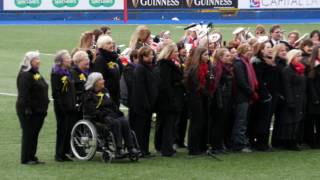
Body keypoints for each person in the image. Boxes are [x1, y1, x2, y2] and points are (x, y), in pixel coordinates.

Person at [83, 72, 139, 157]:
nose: (104, 81)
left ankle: (131, 148)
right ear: (96, 82)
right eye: (101, 79)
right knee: (115, 123)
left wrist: (118, 113)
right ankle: (119, 149)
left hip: (109, 114)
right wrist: (104, 115)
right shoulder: (88, 95)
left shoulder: (105, 91)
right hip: (97, 118)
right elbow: (91, 110)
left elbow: (112, 104)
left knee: (124, 121)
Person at [16, 51, 49, 165]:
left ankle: (32, 156)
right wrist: (28, 109)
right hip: (29, 111)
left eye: (38, 59)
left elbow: (42, 85)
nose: (39, 61)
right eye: (36, 59)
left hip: (38, 110)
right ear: (30, 61)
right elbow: (24, 95)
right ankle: (25, 158)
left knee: (34, 134)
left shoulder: (35, 73)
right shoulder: (25, 75)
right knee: (28, 133)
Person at [154, 43, 184, 157]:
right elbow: (166, 85)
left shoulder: (166, 64)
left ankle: (160, 146)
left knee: (163, 124)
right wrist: (173, 100)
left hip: (167, 99)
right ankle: (167, 149)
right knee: (168, 125)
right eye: (175, 52)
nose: (177, 54)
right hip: (168, 100)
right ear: (169, 53)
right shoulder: (166, 66)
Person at [130, 46, 159, 157]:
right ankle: (140, 150)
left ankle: (145, 149)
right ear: (144, 56)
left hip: (148, 104)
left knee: (146, 128)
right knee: (140, 129)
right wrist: (146, 104)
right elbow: (140, 89)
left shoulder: (147, 67)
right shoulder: (140, 69)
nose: (152, 56)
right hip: (141, 105)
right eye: (150, 54)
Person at [184, 47, 214, 155]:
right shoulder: (194, 68)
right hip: (195, 98)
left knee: (203, 122)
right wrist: (205, 91)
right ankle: (194, 148)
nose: (207, 57)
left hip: (203, 98)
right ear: (199, 56)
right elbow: (196, 85)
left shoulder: (207, 67)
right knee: (196, 123)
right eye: (205, 55)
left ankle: (202, 145)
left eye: (207, 54)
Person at [250, 41, 278, 151]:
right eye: (267, 47)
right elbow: (260, 81)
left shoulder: (271, 61)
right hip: (263, 96)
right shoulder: (258, 62)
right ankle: (260, 143)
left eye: (271, 47)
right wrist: (265, 95)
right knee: (261, 120)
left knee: (267, 120)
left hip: (271, 94)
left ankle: (265, 143)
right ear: (261, 50)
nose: (270, 49)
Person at [231, 43, 258, 152]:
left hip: (245, 96)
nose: (250, 52)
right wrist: (252, 93)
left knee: (243, 121)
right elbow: (242, 82)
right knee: (240, 121)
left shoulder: (246, 63)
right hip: (241, 97)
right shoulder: (239, 63)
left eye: (251, 49)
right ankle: (238, 144)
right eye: (247, 50)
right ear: (241, 51)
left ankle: (241, 142)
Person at [51, 50, 76, 162]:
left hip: (70, 105)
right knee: (61, 130)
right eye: (67, 58)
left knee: (68, 130)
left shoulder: (68, 71)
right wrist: (61, 107)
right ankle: (58, 154)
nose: (70, 59)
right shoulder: (56, 73)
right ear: (61, 61)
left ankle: (65, 152)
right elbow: (56, 93)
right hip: (62, 107)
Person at [279, 49, 306, 151]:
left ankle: (294, 140)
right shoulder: (288, 70)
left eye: (300, 56)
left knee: (296, 120)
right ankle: (289, 141)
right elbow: (287, 86)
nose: (300, 58)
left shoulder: (300, 69)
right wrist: (290, 100)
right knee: (290, 120)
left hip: (300, 97)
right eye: (298, 56)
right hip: (292, 98)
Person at [209, 48, 234, 154]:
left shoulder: (227, 67)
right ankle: (215, 146)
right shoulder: (217, 68)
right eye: (226, 56)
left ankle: (220, 144)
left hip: (227, 97)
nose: (229, 57)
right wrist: (219, 101)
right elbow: (216, 86)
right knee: (218, 123)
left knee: (223, 123)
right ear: (220, 57)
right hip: (220, 99)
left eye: (229, 55)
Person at [93, 35, 122, 107]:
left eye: (112, 43)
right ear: (101, 46)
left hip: (116, 95)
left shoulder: (114, 57)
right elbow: (98, 79)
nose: (111, 45)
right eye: (108, 43)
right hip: (106, 96)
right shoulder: (100, 59)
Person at [270, 44, 289, 148]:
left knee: (281, 119)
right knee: (275, 119)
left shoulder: (285, 63)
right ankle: (276, 141)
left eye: (285, 50)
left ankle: (278, 141)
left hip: (283, 95)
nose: (284, 52)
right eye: (281, 50)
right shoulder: (276, 64)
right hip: (278, 95)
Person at [305, 45, 320, 148]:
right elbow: (310, 83)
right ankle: (311, 142)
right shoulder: (311, 65)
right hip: (314, 98)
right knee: (312, 121)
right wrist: (315, 98)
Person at [70, 50, 90, 118]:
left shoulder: (82, 73)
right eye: (86, 59)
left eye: (88, 59)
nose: (88, 61)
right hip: (78, 107)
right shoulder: (72, 73)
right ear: (79, 62)